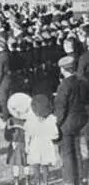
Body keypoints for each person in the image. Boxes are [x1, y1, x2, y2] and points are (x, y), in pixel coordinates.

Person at [54, 55, 89, 185]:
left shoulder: (64, 86)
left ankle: (70, 181)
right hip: (83, 119)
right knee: (79, 151)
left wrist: (56, 124)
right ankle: (82, 177)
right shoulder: (83, 81)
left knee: (68, 154)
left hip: (68, 123)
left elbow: (60, 109)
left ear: (63, 70)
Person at [25, 94, 59, 185]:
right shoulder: (51, 119)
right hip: (46, 144)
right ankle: (45, 181)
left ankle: (37, 181)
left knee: (35, 164)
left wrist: (27, 145)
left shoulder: (30, 121)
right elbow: (55, 135)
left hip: (35, 144)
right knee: (45, 165)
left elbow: (28, 134)